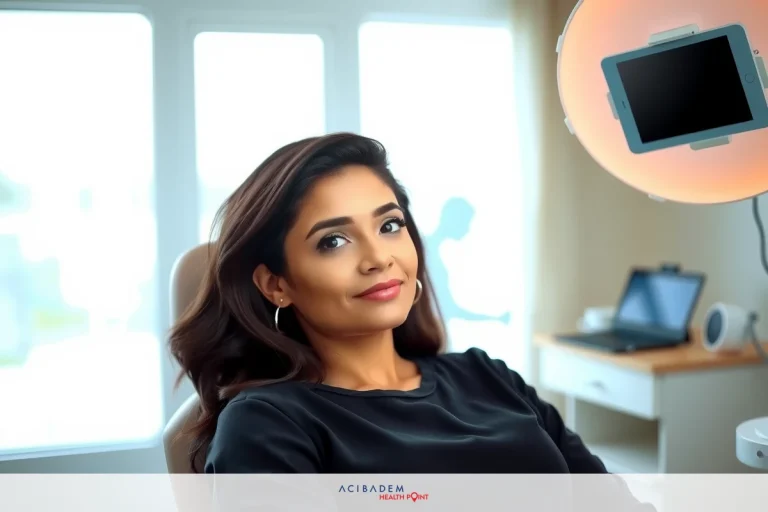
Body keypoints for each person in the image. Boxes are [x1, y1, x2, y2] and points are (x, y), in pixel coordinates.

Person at [169, 133, 611, 476]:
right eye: (334, 241)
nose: (380, 258)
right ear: (276, 284)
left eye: (389, 225)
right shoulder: (266, 427)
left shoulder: (490, 377)